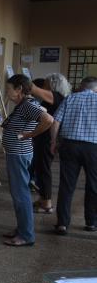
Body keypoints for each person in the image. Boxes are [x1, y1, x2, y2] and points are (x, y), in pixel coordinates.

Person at [1, 75, 53, 246]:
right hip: (18, 154)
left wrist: (29, 135)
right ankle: (22, 228)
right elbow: (44, 113)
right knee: (19, 194)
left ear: (19, 90)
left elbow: (48, 120)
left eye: (9, 89)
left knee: (21, 195)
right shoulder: (27, 104)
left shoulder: (27, 105)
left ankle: (26, 235)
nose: (7, 92)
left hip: (19, 154)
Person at [50, 76, 97, 234]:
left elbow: (55, 122)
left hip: (69, 146)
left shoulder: (70, 98)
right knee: (93, 185)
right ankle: (91, 222)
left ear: (81, 87)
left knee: (66, 185)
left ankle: (62, 224)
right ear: (95, 88)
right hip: (93, 148)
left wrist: (53, 142)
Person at [30, 73, 72, 212]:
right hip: (44, 138)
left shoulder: (55, 96)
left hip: (47, 139)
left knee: (44, 170)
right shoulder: (56, 98)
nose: (43, 86)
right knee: (41, 168)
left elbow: (33, 89)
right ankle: (43, 198)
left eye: (46, 83)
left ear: (52, 84)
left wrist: (21, 83)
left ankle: (47, 203)